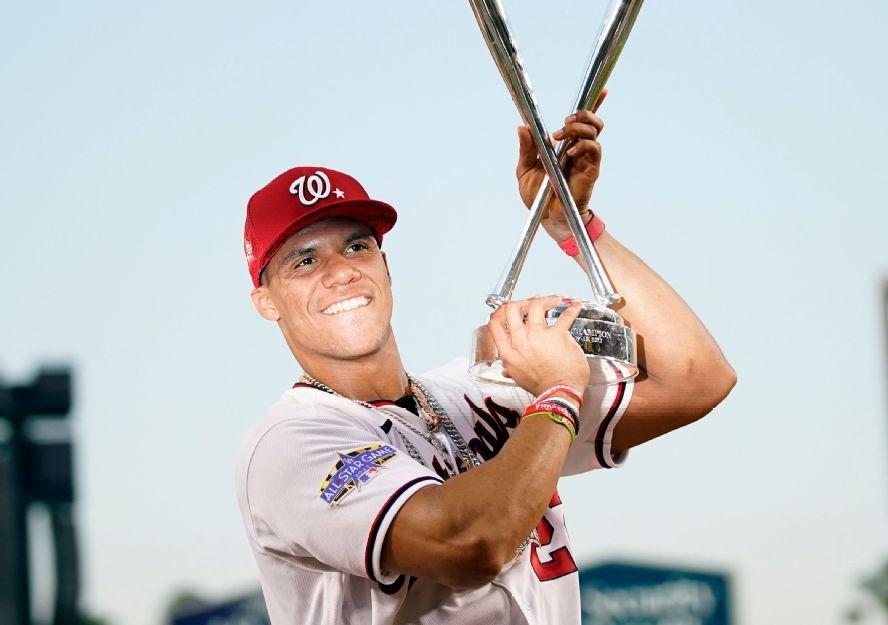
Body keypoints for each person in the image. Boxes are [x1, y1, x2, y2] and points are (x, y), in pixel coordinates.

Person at [234, 101, 736, 623]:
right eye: (305, 260)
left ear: (384, 266)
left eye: (357, 246)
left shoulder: (477, 389)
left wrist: (572, 225)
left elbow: (698, 379)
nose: (341, 272)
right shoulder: (288, 443)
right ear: (266, 301)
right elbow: (469, 544)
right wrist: (558, 393)